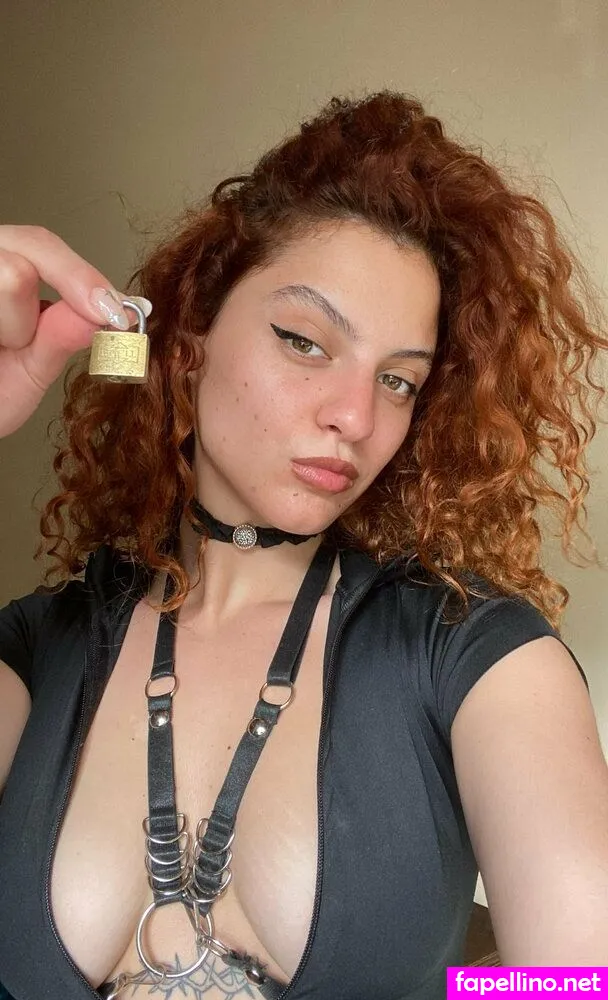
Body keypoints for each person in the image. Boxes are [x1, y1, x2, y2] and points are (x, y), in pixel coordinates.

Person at [0, 91, 607, 1000]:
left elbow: (577, 984)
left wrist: (467, 992)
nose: (356, 417)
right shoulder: (35, 652)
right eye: (305, 341)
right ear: (191, 338)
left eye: (398, 382)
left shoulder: (474, 656)